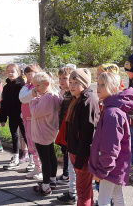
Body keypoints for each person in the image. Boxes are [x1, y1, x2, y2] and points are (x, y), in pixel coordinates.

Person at [88, 72, 133, 206]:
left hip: (110, 167)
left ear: (115, 88)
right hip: (116, 165)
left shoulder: (112, 113)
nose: (98, 88)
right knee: (117, 196)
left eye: (103, 85)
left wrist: (102, 170)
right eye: (98, 84)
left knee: (104, 199)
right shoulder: (113, 109)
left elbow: (111, 147)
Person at [66, 68, 100, 205]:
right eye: (70, 81)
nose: (71, 85)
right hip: (76, 152)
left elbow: (88, 136)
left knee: (82, 191)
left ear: (85, 83)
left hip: (83, 156)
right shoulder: (78, 99)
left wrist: (80, 159)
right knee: (85, 190)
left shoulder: (88, 103)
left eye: (76, 82)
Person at [30, 72, 61, 196]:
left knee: (45, 160)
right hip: (49, 130)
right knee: (51, 156)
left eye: (38, 85)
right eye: (34, 85)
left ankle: (45, 186)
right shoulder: (53, 94)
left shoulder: (47, 97)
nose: (35, 88)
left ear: (47, 84)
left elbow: (35, 112)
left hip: (42, 132)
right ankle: (52, 180)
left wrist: (33, 100)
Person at [55, 64, 79, 204]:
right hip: (63, 128)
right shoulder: (65, 93)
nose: (62, 81)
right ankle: (66, 176)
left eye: (65, 78)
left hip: (69, 130)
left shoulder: (72, 95)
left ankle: (71, 185)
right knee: (66, 154)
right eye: (60, 79)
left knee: (70, 157)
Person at [0, 63, 27, 170]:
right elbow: (4, 104)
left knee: (26, 136)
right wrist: (2, 118)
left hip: (22, 116)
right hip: (12, 116)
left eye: (13, 71)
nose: (10, 73)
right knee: (14, 136)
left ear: (19, 73)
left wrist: (24, 115)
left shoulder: (22, 86)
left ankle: (33, 160)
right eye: (8, 71)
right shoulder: (6, 88)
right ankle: (15, 157)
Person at [19, 64, 43, 179]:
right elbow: (22, 98)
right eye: (27, 74)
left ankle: (42, 168)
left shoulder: (39, 86)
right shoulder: (27, 86)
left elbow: (26, 98)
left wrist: (30, 95)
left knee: (38, 144)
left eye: (31, 73)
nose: (29, 76)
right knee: (31, 144)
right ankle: (37, 167)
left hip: (37, 119)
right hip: (27, 118)